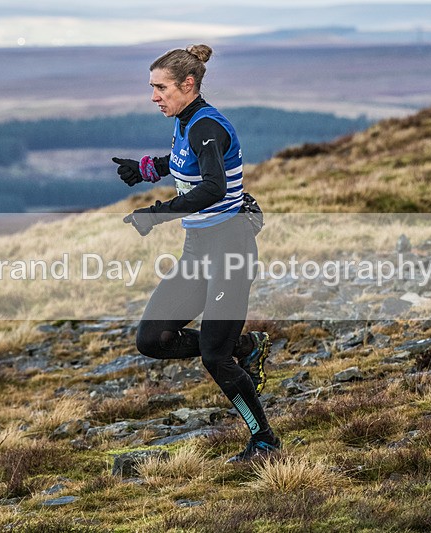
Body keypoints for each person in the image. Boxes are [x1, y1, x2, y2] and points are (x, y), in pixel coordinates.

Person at [112, 44, 281, 463]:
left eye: (160, 87)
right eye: (152, 88)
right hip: (198, 249)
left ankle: (264, 441)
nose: (154, 96)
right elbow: (185, 161)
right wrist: (147, 169)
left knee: (214, 356)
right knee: (152, 339)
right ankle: (246, 347)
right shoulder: (187, 122)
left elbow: (213, 187)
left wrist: (157, 214)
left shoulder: (208, 125)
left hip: (230, 248)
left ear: (188, 85)